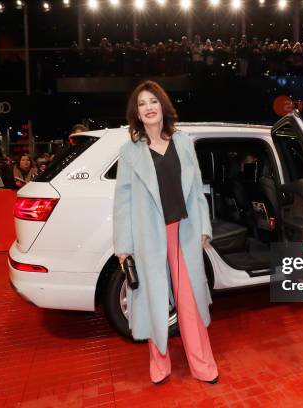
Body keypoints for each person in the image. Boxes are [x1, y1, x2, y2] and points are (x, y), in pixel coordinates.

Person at [113, 80, 218, 385]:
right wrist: (123, 245)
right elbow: (122, 200)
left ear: (163, 106)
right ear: (136, 112)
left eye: (153, 101)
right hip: (150, 237)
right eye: (142, 103)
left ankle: (203, 364)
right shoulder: (130, 151)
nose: (148, 108)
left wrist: (204, 226)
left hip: (183, 231)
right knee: (153, 301)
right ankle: (159, 366)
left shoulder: (183, 142)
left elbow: (197, 189)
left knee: (191, 302)